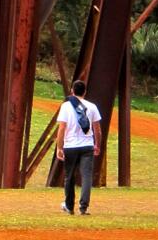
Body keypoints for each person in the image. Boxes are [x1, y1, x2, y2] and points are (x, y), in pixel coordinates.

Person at [55, 79, 103, 215]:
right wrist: (97, 144)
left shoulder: (66, 106)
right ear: (85, 92)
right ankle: (84, 207)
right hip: (87, 145)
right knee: (86, 176)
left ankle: (69, 206)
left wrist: (60, 147)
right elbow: (97, 129)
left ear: (72, 91)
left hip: (70, 146)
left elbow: (62, 128)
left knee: (69, 176)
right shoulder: (92, 107)